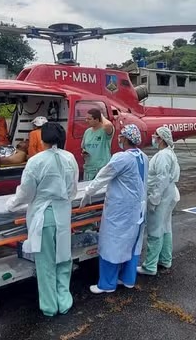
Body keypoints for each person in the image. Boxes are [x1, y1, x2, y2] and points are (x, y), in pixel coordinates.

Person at [5, 122, 79, 316]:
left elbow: (26, 193)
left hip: (43, 217)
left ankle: (49, 306)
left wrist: (12, 204)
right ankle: (64, 301)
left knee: (45, 263)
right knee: (63, 258)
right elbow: (73, 190)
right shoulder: (70, 158)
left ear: (42, 139)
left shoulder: (36, 161)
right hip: (63, 215)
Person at [81, 124, 148, 294]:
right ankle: (127, 279)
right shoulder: (143, 157)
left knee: (112, 243)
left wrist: (88, 192)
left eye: (121, 137)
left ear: (125, 138)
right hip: (137, 210)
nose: (119, 139)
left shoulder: (122, 158)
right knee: (131, 243)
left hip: (120, 211)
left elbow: (103, 176)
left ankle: (107, 284)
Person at [138, 126, 181, 276]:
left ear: (161, 139)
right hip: (169, 193)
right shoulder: (169, 153)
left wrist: (154, 199)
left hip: (162, 195)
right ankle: (165, 259)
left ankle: (150, 266)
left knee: (155, 229)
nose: (153, 138)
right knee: (165, 227)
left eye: (155, 135)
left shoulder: (163, 156)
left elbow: (161, 179)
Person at [81, 108, 114, 180]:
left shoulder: (105, 131)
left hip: (102, 169)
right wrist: (84, 153)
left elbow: (108, 125)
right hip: (89, 170)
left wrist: (101, 116)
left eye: (89, 119)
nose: (86, 121)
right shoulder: (87, 132)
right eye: (86, 118)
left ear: (97, 120)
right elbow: (83, 147)